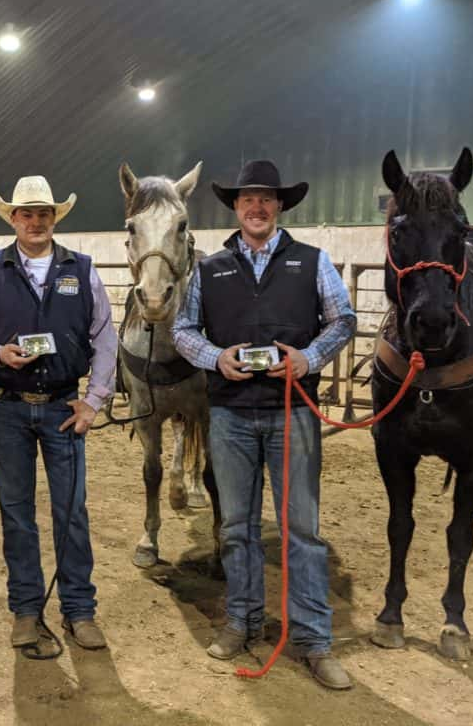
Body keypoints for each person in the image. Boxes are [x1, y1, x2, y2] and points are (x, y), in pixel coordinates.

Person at [172, 159, 356, 690]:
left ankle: (313, 639)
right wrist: (214, 357)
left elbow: (343, 320)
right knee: (236, 527)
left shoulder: (311, 262)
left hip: (292, 412)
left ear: (280, 207)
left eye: (266, 199)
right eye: (248, 198)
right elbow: (184, 330)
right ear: (235, 206)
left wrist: (309, 358)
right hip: (229, 413)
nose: (257, 206)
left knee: (301, 529)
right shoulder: (209, 270)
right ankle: (242, 620)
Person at [0, 175, 116, 650]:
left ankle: (79, 610)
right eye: (27, 213)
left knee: (71, 513)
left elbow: (105, 337)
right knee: (16, 513)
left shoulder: (81, 270)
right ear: (13, 219)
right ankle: (26, 609)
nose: (36, 221)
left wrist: (95, 399)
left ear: (54, 218)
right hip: (7, 409)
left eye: (44, 213)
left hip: (65, 406)